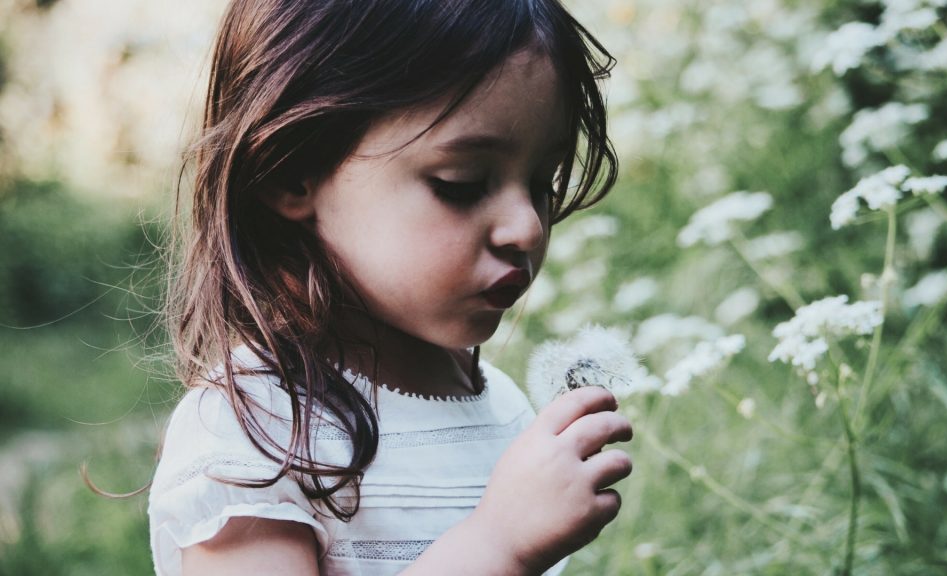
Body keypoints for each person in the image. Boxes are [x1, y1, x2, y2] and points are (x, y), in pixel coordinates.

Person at [148, 0, 632, 574]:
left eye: (542, 183)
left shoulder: (500, 405)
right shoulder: (253, 435)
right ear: (290, 172)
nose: (527, 227)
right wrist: (499, 545)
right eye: (463, 183)